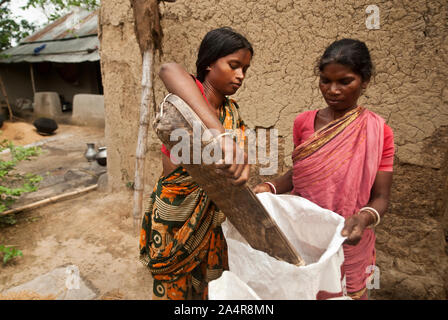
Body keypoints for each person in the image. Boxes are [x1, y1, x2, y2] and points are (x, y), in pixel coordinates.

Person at [253, 38, 394, 300]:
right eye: (325, 81)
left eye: (345, 81)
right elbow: (299, 175)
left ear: (365, 81)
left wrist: (362, 219)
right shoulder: (303, 122)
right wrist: (269, 188)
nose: (333, 90)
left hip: (347, 237)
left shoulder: (378, 131)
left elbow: (382, 196)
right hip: (303, 234)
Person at [139, 27, 253, 300]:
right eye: (233, 65)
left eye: (245, 69)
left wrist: (241, 167)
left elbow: (233, 163)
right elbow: (168, 69)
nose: (240, 76)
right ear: (209, 63)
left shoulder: (231, 110)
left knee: (209, 290)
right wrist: (219, 135)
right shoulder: (188, 100)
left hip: (213, 219)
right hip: (177, 219)